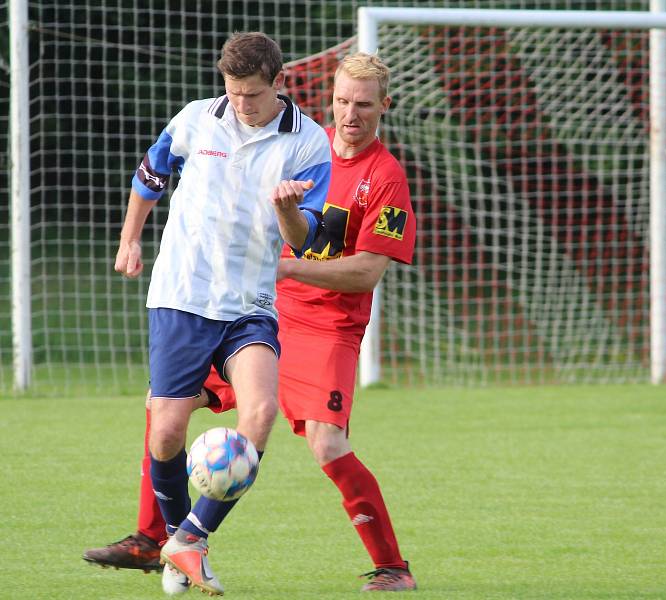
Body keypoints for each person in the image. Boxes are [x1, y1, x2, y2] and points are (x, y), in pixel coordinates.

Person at [85, 52, 418, 593]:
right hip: (256, 308)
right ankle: (157, 537)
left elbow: (365, 274)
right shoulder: (297, 146)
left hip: (326, 327)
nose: (350, 115)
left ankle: (393, 567)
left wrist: (279, 263)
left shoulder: (384, 178)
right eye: (341, 102)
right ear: (329, 98)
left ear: (385, 106)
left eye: (363, 105)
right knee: (164, 405)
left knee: (327, 445)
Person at [107, 31, 332, 596]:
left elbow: (306, 241)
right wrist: (130, 238)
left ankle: (190, 537)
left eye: (252, 94)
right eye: (232, 92)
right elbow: (150, 176)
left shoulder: (308, 144)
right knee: (165, 434)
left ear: (277, 84)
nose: (240, 104)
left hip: (249, 303)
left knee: (260, 414)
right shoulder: (194, 120)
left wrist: (286, 212)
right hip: (181, 294)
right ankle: (180, 543)